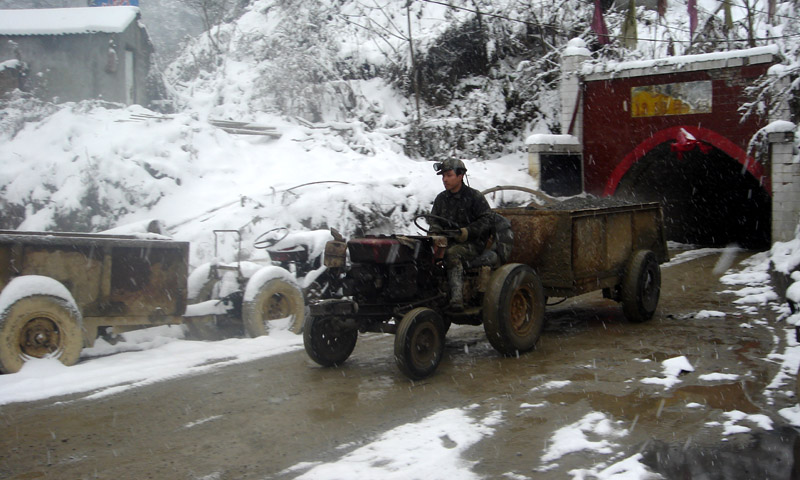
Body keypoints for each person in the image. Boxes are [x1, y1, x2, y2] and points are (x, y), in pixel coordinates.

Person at [429, 158, 493, 311]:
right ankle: (432, 294)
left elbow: (488, 220)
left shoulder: (474, 197)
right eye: (443, 176)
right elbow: (434, 220)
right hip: (447, 241)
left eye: (449, 175)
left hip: (472, 244)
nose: (445, 180)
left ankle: (457, 298)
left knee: (452, 254)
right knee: (424, 255)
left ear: (461, 176)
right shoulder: (441, 199)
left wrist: (467, 232)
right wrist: (435, 233)